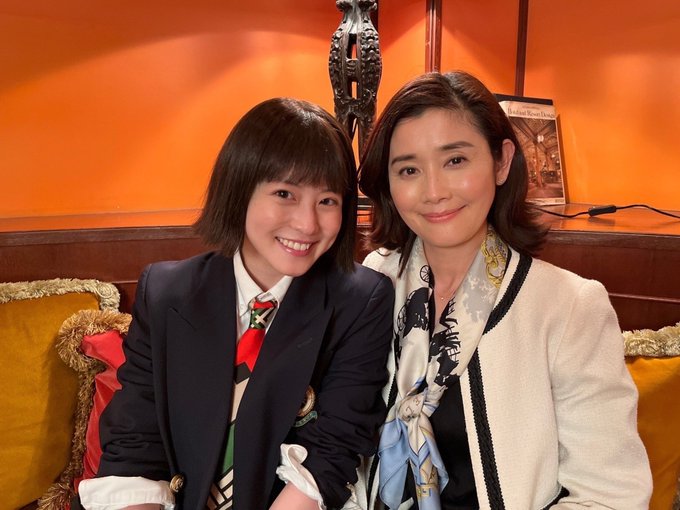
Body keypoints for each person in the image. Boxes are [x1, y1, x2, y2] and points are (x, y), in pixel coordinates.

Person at [76, 97, 394, 510]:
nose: (307, 224)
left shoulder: (361, 300)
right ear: (239, 189)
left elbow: (333, 448)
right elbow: (136, 438)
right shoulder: (167, 292)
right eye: (284, 193)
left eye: (327, 201)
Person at [357, 71, 652, 509]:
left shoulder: (568, 308)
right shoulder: (377, 279)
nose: (433, 191)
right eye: (409, 170)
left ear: (501, 161)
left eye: (455, 160)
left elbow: (611, 496)